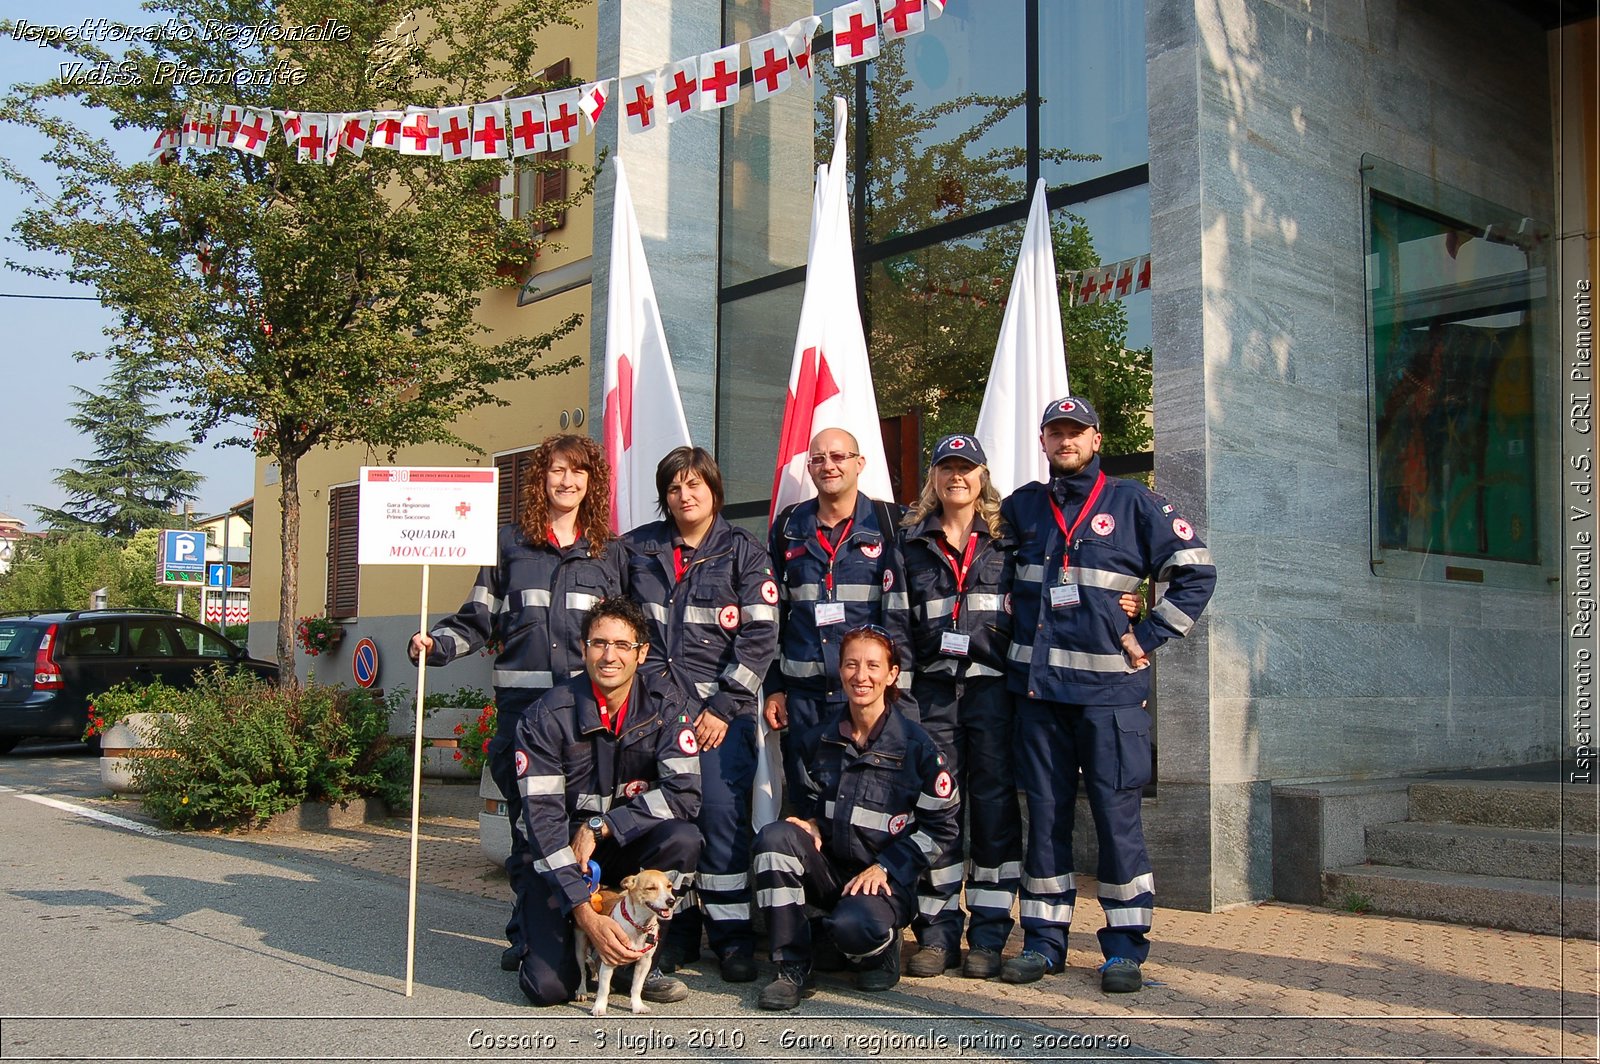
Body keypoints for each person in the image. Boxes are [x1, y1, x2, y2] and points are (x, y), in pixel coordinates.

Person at [998, 396, 1216, 994]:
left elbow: (1197, 569)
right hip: (1039, 698)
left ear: (1097, 439)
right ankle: (1044, 944)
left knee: (1118, 823)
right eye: (1055, 432)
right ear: (1042, 442)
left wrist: (1146, 633)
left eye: (1076, 432)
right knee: (1043, 820)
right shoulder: (1021, 509)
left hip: (1110, 699)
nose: (1065, 441)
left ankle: (1123, 951)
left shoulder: (1134, 502)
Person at [408, 434, 627, 974]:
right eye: (557, 471)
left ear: (591, 483)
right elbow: (475, 620)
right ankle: (526, 932)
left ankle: (593, 932)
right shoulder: (508, 545)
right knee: (529, 829)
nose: (567, 482)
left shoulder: (609, 553)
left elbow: (626, 635)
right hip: (523, 719)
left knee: (586, 826)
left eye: (578, 473)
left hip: (586, 721)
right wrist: (435, 646)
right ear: (541, 479)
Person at [622, 446, 778, 983]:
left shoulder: (744, 552)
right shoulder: (637, 549)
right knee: (669, 825)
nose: (685, 496)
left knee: (720, 822)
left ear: (714, 490)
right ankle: (677, 934)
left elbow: (760, 639)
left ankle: (733, 940)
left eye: (695, 486)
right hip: (652, 715)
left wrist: (723, 707)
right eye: (674, 488)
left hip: (718, 719)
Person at [751, 624, 959, 1010]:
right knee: (774, 839)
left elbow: (942, 827)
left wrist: (886, 867)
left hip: (886, 883)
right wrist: (811, 823)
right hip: (833, 874)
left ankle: (876, 947)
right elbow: (810, 802)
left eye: (872, 666)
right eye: (851, 665)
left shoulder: (918, 747)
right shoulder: (818, 740)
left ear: (892, 674)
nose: (860, 676)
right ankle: (791, 966)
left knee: (854, 928)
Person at [508, 596, 703, 1006]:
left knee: (683, 838)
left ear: (642, 653)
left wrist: (603, 825)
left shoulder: (667, 706)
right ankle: (544, 936)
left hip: (620, 843)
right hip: (559, 858)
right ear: (584, 648)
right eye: (599, 643)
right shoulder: (545, 717)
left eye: (622, 645)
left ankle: (642, 954)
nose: (609, 655)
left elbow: (684, 793)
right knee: (549, 989)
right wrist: (585, 912)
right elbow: (541, 825)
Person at [896, 434, 1017, 979]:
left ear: (982, 476)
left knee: (993, 814)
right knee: (939, 810)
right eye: (947, 467)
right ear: (935, 477)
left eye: (967, 469)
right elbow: (896, 620)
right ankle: (938, 934)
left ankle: (988, 937)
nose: (957, 477)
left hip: (993, 693)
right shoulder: (910, 543)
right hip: (934, 694)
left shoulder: (1009, 541)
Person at [764, 427, 914, 796]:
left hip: (867, 697)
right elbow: (772, 616)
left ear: (859, 463)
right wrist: (774, 687)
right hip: (804, 701)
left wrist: (901, 697)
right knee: (806, 804)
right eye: (818, 459)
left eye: (838, 456)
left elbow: (900, 619)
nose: (828, 465)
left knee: (871, 803)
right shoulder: (788, 526)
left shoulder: (891, 523)